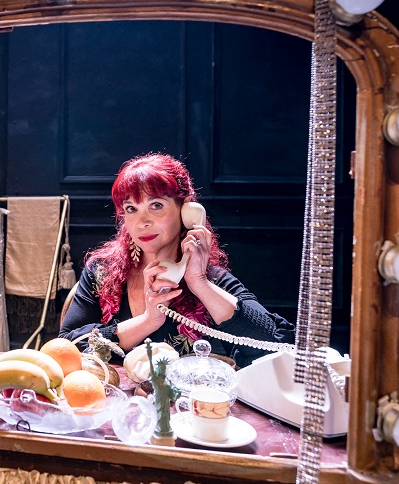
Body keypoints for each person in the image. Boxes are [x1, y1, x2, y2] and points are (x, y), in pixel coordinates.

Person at [59, 153, 295, 368]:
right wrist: (147, 321)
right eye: (131, 209)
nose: (142, 222)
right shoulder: (102, 272)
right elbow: (66, 346)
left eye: (156, 205)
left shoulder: (212, 280)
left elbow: (278, 347)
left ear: (186, 210)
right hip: (115, 399)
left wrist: (200, 283)